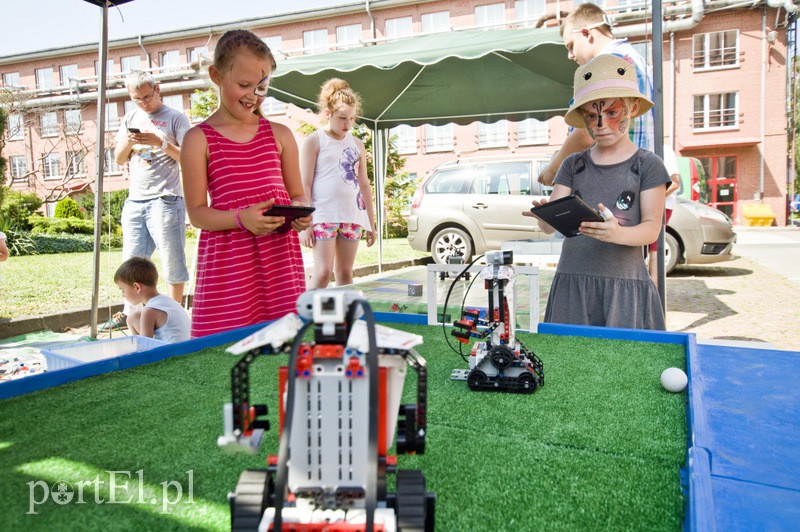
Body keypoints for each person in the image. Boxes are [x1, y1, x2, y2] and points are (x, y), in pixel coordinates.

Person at [523, 54, 670, 330]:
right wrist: (544, 217)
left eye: (612, 113)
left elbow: (652, 229)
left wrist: (619, 234)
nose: (601, 124)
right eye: (592, 116)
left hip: (624, 289)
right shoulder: (572, 164)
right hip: (572, 285)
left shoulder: (648, 166)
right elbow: (550, 225)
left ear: (633, 107)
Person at [180, 29, 310, 338]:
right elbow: (197, 213)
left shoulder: (280, 135)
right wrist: (241, 219)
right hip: (228, 271)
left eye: (262, 86)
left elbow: (298, 194)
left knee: (283, 350)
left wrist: (301, 212)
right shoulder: (197, 139)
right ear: (216, 75)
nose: (253, 95)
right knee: (223, 355)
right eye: (243, 85)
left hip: (279, 265)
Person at [538, 3, 654, 187]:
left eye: (571, 45)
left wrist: (554, 167)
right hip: (632, 179)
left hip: (612, 181)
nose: (570, 55)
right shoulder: (632, 57)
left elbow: (588, 131)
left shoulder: (606, 66)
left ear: (586, 34)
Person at [113, 70, 192, 326]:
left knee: (172, 261)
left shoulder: (176, 118)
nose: (144, 103)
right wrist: (128, 142)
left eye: (147, 96)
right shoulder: (130, 118)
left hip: (165, 198)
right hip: (135, 200)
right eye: (137, 99)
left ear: (157, 89)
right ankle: (131, 315)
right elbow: (118, 158)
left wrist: (161, 143)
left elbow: (190, 159)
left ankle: (175, 315)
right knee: (132, 263)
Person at [299, 78, 376, 288]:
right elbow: (304, 185)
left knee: (345, 273)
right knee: (323, 272)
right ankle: (308, 317)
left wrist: (371, 222)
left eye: (352, 118)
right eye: (342, 118)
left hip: (351, 216)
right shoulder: (314, 141)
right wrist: (305, 225)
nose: (347, 124)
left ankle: (344, 319)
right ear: (328, 114)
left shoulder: (357, 144)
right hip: (323, 215)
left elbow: (364, 185)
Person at [114, 257, 191, 343]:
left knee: (134, 321)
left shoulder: (149, 311)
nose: (123, 295)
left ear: (137, 287)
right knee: (133, 317)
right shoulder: (167, 301)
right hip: (186, 348)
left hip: (173, 354)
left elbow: (145, 347)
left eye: (123, 290)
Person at [648, 144, 681, 286]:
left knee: (654, 247)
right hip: (652, 203)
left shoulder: (664, 150)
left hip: (662, 205)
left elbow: (675, 183)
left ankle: (654, 291)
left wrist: (655, 197)